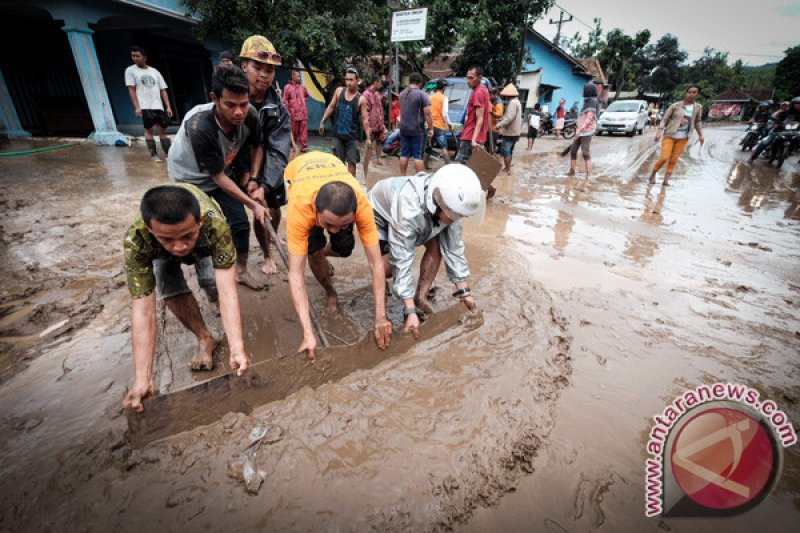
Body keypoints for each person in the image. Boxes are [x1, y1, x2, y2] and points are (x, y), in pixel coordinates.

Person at [121, 183, 251, 412]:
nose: (179, 247)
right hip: (159, 253)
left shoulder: (214, 225)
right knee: (169, 287)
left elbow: (228, 291)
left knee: (211, 283)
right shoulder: (136, 240)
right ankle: (205, 338)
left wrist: (237, 348)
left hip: (206, 243)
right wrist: (143, 377)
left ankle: (216, 311)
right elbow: (143, 309)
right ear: (148, 229)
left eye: (186, 236)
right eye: (167, 239)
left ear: (199, 221)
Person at [284, 151, 392, 361]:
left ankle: (323, 251)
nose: (334, 230)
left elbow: (376, 262)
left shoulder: (362, 204)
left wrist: (381, 316)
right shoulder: (300, 207)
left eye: (343, 225)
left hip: (332, 169)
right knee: (313, 254)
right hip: (298, 172)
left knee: (344, 248)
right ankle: (330, 291)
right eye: (329, 225)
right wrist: (308, 333)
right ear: (315, 210)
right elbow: (295, 275)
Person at [167, 65, 268, 288]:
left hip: (223, 167)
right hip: (190, 178)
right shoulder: (200, 126)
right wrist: (253, 204)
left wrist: (253, 180)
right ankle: (208, 282)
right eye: (230, 105)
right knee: (197, 228)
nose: (239, 112)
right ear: (215, 98)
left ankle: (241, 271)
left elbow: (257, 147)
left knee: (240, 224)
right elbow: (218, 178)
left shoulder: (250, 115)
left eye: (243, 103)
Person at [368, 164, 482, 336]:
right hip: (380, 214)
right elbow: (402, 258)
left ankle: (420, 297)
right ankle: (405, 299)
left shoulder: (449, 203)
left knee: (437, 247)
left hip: (422, 213)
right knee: (387, 268)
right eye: (454, 216)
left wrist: (464, 293)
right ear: (438, 203)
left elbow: (453, 249)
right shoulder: (409, 209)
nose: (457, 220)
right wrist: (409, 312)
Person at [239, 35, 293, 276]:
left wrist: (264, 183)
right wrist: (246, 177)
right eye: (257, 67)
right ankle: (266, 253)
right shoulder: (233, 100)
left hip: (270, 165)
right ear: (244, 67)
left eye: (269, 70)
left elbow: (279, 149)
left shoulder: (277, 106)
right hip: (239, 165)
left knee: (273, 207)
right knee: (254, 212)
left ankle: (272, 246)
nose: (264, 74)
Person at [319, 67, 371, 177]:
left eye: (351, 80)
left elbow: (365, 120)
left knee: (352, 163)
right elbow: (331, 107)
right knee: (338, 163)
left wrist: (368, 138)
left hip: (352, 137)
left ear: (357, 81)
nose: (349, 82)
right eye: (347, 79)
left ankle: (350, 186)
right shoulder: (339, 92)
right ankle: (339, 186)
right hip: (338, 136)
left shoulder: (361, 99)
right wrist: (322, 121)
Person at [649, 85, 705, 186]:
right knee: (664, 158)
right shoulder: (675, 105)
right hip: (669, 135)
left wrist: (701, 135)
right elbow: (665, 119)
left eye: (694, 92)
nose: (691, 94)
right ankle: (653, 174)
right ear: (685, 93)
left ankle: (666, 180)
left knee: (674, 159)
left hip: (683, 138)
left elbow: (697, 122)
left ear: (697, 94)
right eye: (689, 92)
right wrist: (659, 132)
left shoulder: (698, 107)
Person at [125, 46, 173, 162]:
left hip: (158, 105)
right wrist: (137, 107)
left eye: (137, 56)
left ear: (144, 57)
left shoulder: (154, 71)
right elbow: (131, 89)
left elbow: (163, 89)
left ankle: (169, 154)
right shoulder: (130, 71)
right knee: (148, 129)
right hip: (145, 105)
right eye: (133, 56)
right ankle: (154, 155)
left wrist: (168, 106)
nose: (135, 58)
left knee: (162, 130)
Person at [398, 72, 434, 175]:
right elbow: (428, 113)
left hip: (403, 128)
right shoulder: (422, 94)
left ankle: (402, 176)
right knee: (418, 156)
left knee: (404, 154)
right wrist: (431, 129)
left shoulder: (402, 94)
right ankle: (420, 179)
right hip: (416, 129)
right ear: (420, 83)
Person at [455, 66, 490, 163]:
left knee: (462, 170)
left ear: (479, 78)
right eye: (467, 77)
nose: (468, 81)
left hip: (470, 137)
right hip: (475, 137)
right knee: (473, 170)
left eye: (471, 78)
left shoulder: (478, 93)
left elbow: (480, 118)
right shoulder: (483, 90)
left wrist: (473, 140)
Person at [748, 98, 800, 163]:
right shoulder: (782, 112)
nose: (798, 106)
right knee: (765, 143)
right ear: (793, 104)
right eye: (797, 104)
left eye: (799, 104)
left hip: (794, 132)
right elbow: (773, 118)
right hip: (779, 130)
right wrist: (775, 123)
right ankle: (752, 158)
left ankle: (790, 152)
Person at [567, 82, 599, 179]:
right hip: (579, 131)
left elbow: (589, 118)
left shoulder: (593, 102)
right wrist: (577, 129)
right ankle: (572, 172)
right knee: (573, 151)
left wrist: (580, 130)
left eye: (584, 90)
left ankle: (588, 175)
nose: (582, 92)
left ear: (588, 91)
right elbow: (581, 118)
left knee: (585, 153)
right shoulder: (586, 102)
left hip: (587, 131)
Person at [495, 84, 522, 174]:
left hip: (511, 132)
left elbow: (509, 118)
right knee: (509, 150)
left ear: (508, 95)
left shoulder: (513, 103)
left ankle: (507, 169)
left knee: (505, 150)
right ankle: (508, 168)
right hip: (515, 132)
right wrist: (501, 120)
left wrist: (498, 125)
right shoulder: (517, 102)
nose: (504, 97)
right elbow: (509, 117)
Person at [363, 75, 387, 170]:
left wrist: (382, 123)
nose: (380, 84)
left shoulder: (377, 95)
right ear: (375, 82)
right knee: (369, 142)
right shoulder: (366, 94)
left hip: (379, 123)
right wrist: (367, 124)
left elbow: (380, 109)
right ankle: (369, 161)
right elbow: (365, 110)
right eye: (379, 82)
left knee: (379, 141)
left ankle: (378, 158)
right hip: (370, 123)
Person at [283, 69, 309, 152]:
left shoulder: (302, 87)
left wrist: (302, 103)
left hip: (303, 113)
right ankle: (292, 145)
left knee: (303, 130)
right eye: (298, 76)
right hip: (293, 114)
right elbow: (285, 100)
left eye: (299, 76)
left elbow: (306, 96)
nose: (299, 77)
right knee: (294, 131)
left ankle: (303, 146)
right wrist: (289, 110)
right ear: (293, 76)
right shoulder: (287, 87)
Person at [429, 79, 453, 163]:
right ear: (444, 88)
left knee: (428, 147)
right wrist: (449, 124)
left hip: (430, 126)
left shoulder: (431, 97)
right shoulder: (444, 98)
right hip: (439, 126)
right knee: (444, 147)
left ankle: (424, 167)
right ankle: (448, 166)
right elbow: (445, 113)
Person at [488, 87, 504, 153]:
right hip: (489, 126)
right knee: (488, 144)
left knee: (492, 145)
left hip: (494, 128)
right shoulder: (491, 101)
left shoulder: (498, 103)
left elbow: (499, 114)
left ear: (495, 95)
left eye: (491, 95)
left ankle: (491, 157)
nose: (489, 96)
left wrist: (492, 112)